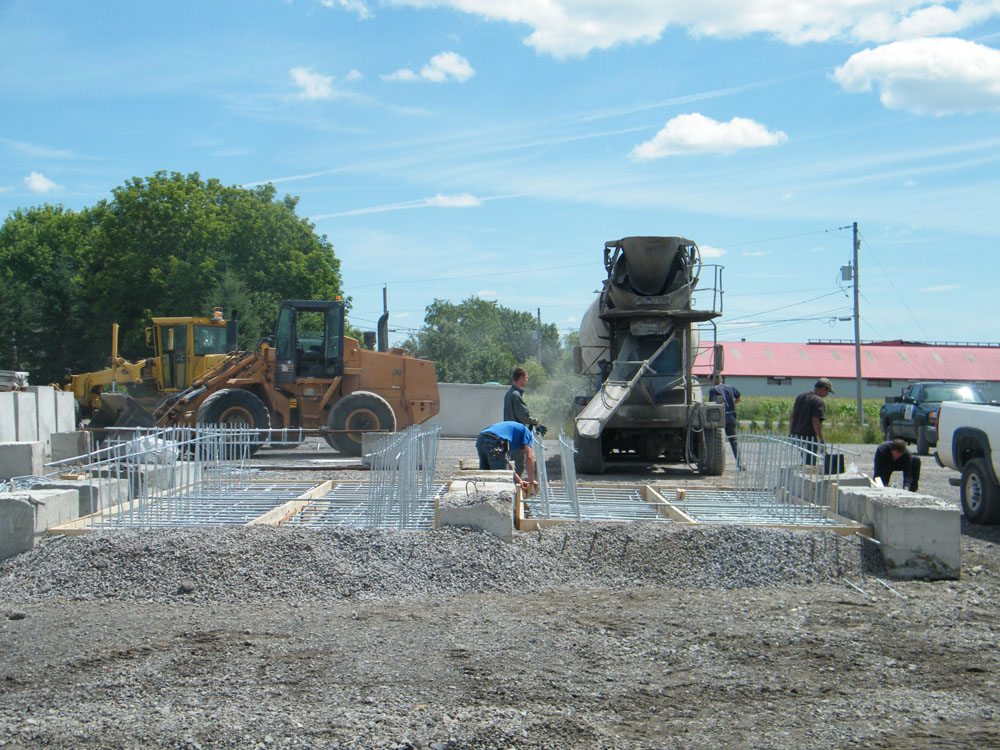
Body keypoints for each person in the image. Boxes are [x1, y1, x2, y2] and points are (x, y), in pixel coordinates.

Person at [502, 366, 546, 475]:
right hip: (516, 435)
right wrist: (535, 422)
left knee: (513, 464)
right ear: (521, 377)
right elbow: (523, 416)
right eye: (526, 377)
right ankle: (515, 489)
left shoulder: (510, 393)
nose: (527, 380)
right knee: (518, 466)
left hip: (510, 434)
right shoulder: (515, 395)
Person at [475, 420, 538, 493]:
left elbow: (505, 462)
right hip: (495, 441)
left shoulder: (509, 434)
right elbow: (529, 457)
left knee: (485, 475)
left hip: (481, 438)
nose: (521, 450)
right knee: (500, 478)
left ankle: (483, 498)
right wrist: (532, 481)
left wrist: (519, 481)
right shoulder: (527, 432)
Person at [789, 377, 835, 463]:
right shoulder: (818, 401)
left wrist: (791, 432)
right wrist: (821, 439)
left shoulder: (801, 396)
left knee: (805, 458)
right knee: (810, 461)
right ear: (824, 388)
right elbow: (815, 421)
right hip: (809, 436)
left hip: (798, 435)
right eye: (827, 392)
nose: (827, 395)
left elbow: (792, 416)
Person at [707, 374, 741, 463]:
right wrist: (732, 404)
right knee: (733, 439)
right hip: (732, 415)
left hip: (721, 416)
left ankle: (716, 462)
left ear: (712, 381)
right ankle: (740, 462)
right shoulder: (730, 387)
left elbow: (712, 404)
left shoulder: (713, 389)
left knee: (717, 439)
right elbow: (739, 398)